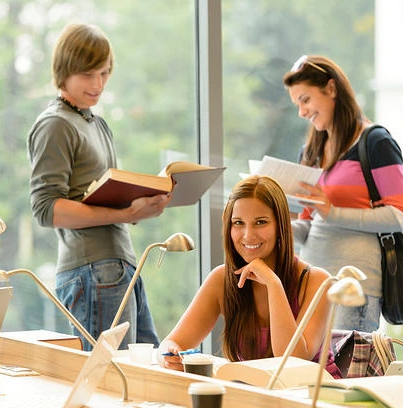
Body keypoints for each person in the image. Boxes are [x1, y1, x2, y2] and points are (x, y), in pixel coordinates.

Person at [27, 23, 170, 350]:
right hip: (93, 268)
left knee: (140, 369)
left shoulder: (96, 123)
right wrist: (125, 213)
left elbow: (104, 197)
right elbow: (46, 209)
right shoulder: (55, 124)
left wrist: (140, 207)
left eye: (104, 73)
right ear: (64, 71)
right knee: (110, 374)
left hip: (119, 264)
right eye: (88, 74)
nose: (98, 84)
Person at [158, 176, 341, 378]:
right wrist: (169, 354)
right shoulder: (221, 279)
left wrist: (273, 283)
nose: (248, 235)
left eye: (260, 222)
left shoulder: (317, 281)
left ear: (280, 225)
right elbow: (172, 342)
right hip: (256, 392)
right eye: (238, 223)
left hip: (314, 392)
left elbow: (291, 362)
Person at [283, 55, 403, 332]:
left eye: (305, 100)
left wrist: (333, 212)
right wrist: (276, 228)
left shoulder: (375, 142)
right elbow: (311, 223)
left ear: (331, 89)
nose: (302, 112)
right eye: (297, 104)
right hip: (311, 285)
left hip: (354, 290)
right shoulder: (310, 152)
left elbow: (398, 216)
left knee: (344, 362)